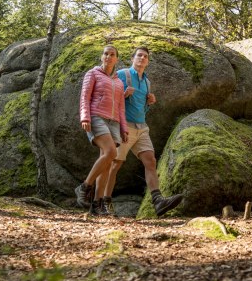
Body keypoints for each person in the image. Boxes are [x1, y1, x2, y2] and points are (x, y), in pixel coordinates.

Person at [97, 46, 183, 217]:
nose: (142, 58)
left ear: (148, 61)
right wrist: (123, 94)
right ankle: (104, 203)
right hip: (124, 126)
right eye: (139, 55)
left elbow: (141, 108)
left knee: (150, 160)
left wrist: (149, 103)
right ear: (132, 58)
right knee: (115, 164)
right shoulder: (122, 74)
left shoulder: (146, 82)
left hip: (141, 126)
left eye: (145, 56)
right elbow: (107, 94)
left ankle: (158, 201)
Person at [75, 45, 128, 215]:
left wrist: (124, 128)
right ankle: (84, 186)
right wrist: (85, 117)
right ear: (101, 56)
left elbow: (121, 107)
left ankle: (96, 204)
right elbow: (85, 96)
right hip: (97, 116)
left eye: (112, 54)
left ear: (116, 59)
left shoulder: (119, 81)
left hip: (113, 122)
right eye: (106, 53)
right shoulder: (93, 73)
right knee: (111, 152)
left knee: (106, 162)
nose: (108, 56)